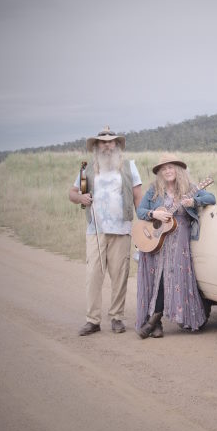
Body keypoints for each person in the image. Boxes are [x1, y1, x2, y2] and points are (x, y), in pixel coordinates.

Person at [69, 126, 142, 336]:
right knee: (93, 275)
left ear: (117, 145)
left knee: (120, 275)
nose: (108, 145)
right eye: (103, 142)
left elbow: (138, 196)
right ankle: (92, 320)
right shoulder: (86, 169)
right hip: (96, 230)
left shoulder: (129, 166)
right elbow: (73, 193)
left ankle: (117, 317)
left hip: (122, 229)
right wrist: (80, 198)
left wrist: (141, 223)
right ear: (97, 146)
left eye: (112, 142)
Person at [135, 153, 215, 338]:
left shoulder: (190, 188)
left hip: (180, 241)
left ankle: (152, 322)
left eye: (171, 167)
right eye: (164, 169)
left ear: (178, 170)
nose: (167, 171)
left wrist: (194, 201)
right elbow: (140, 211)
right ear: (160, 173)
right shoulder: (154, 190)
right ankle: (156, 324)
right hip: (158, 241)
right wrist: (154, 214)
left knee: (171, 278)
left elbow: (211, 197)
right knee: (157, 279)